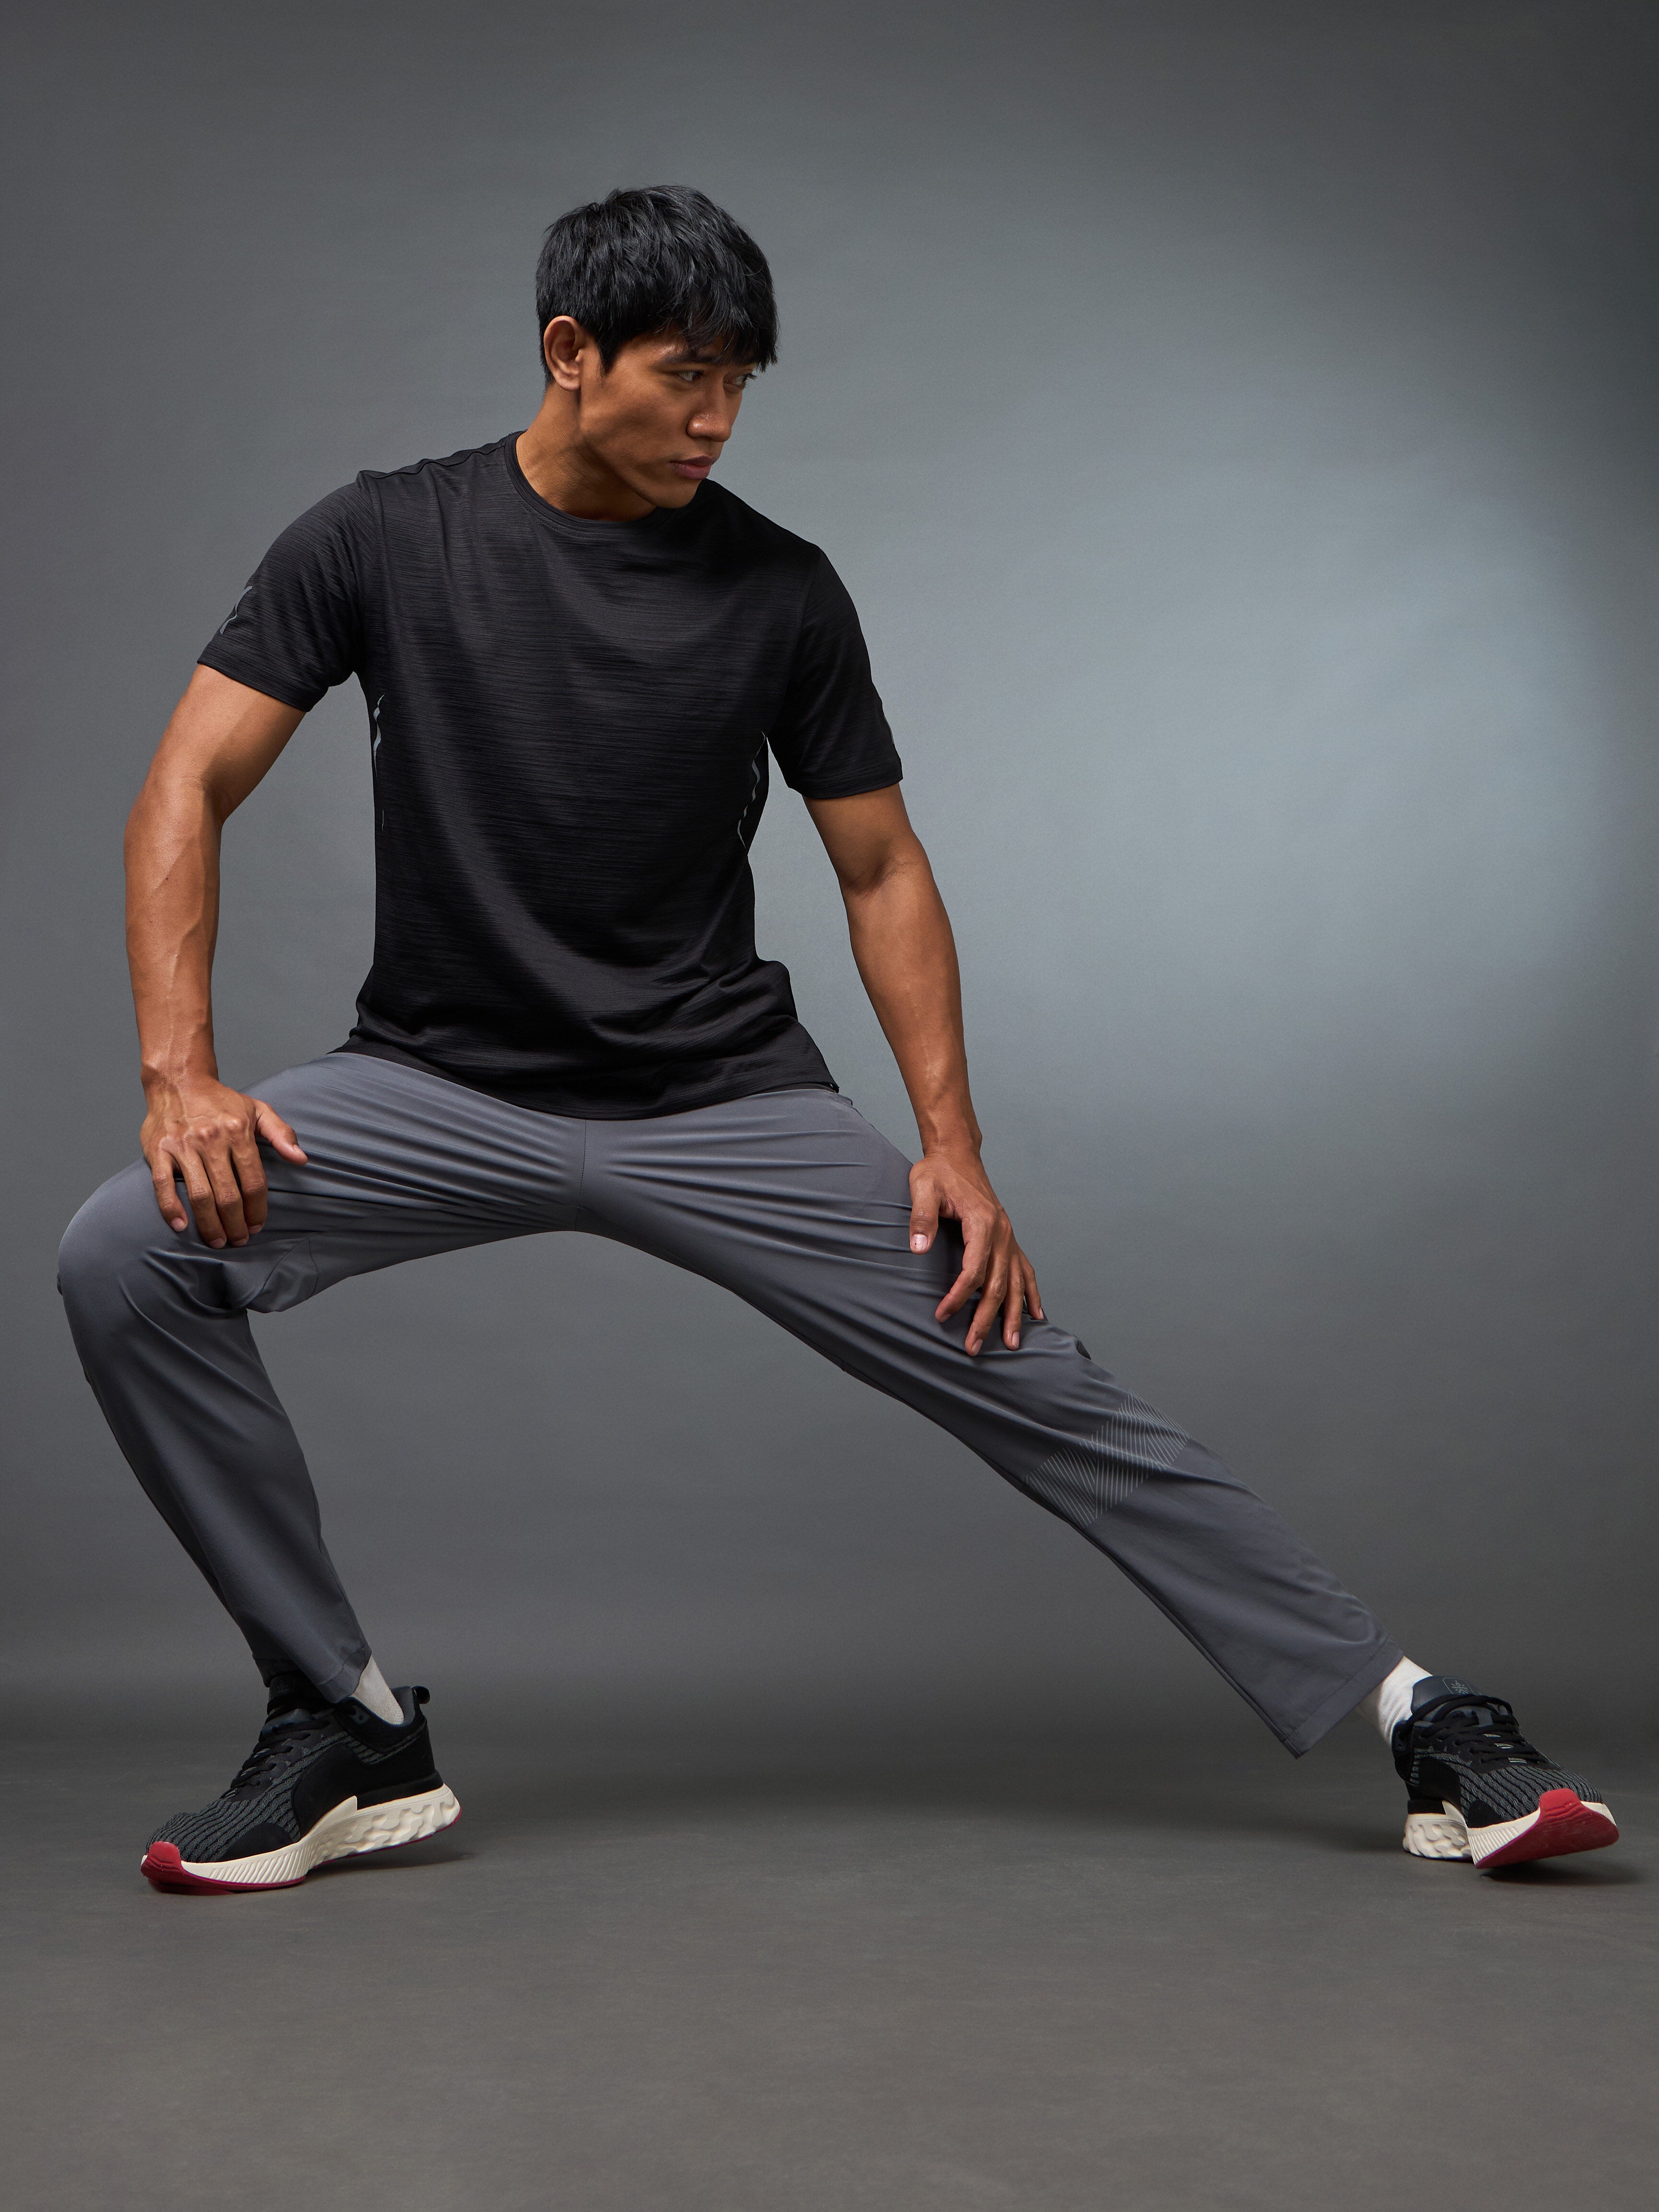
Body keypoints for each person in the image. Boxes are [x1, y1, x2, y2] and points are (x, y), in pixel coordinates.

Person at [58, 186, 1616, 1894]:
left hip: (716, 1099)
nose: (718, 420)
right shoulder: (380, 538)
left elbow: (880, 867)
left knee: (1034, 1373)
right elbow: (184, 782)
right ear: (572, 354)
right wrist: (178, 1074)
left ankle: (1422, 1717)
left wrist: (953, 1146)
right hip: (435, 1087)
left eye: (742, 383)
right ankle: (341, 1721)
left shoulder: (781, 591)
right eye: (687, 376)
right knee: (128, 1252)